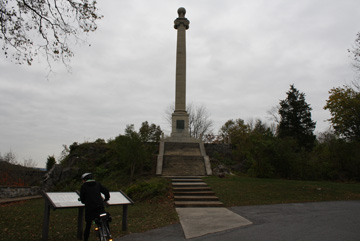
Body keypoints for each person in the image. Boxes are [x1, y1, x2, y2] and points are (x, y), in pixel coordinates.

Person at [79, 173, 110, 241]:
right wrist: (106, 199)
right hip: (100, 206)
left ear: (85, 180)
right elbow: (106, 191)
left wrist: (84, 201)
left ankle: (86, 239)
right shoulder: (97, 184)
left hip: (90, 208)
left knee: (88, 224)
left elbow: (82, 199)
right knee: (104, 219)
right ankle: (108, 234)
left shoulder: (84, 186)